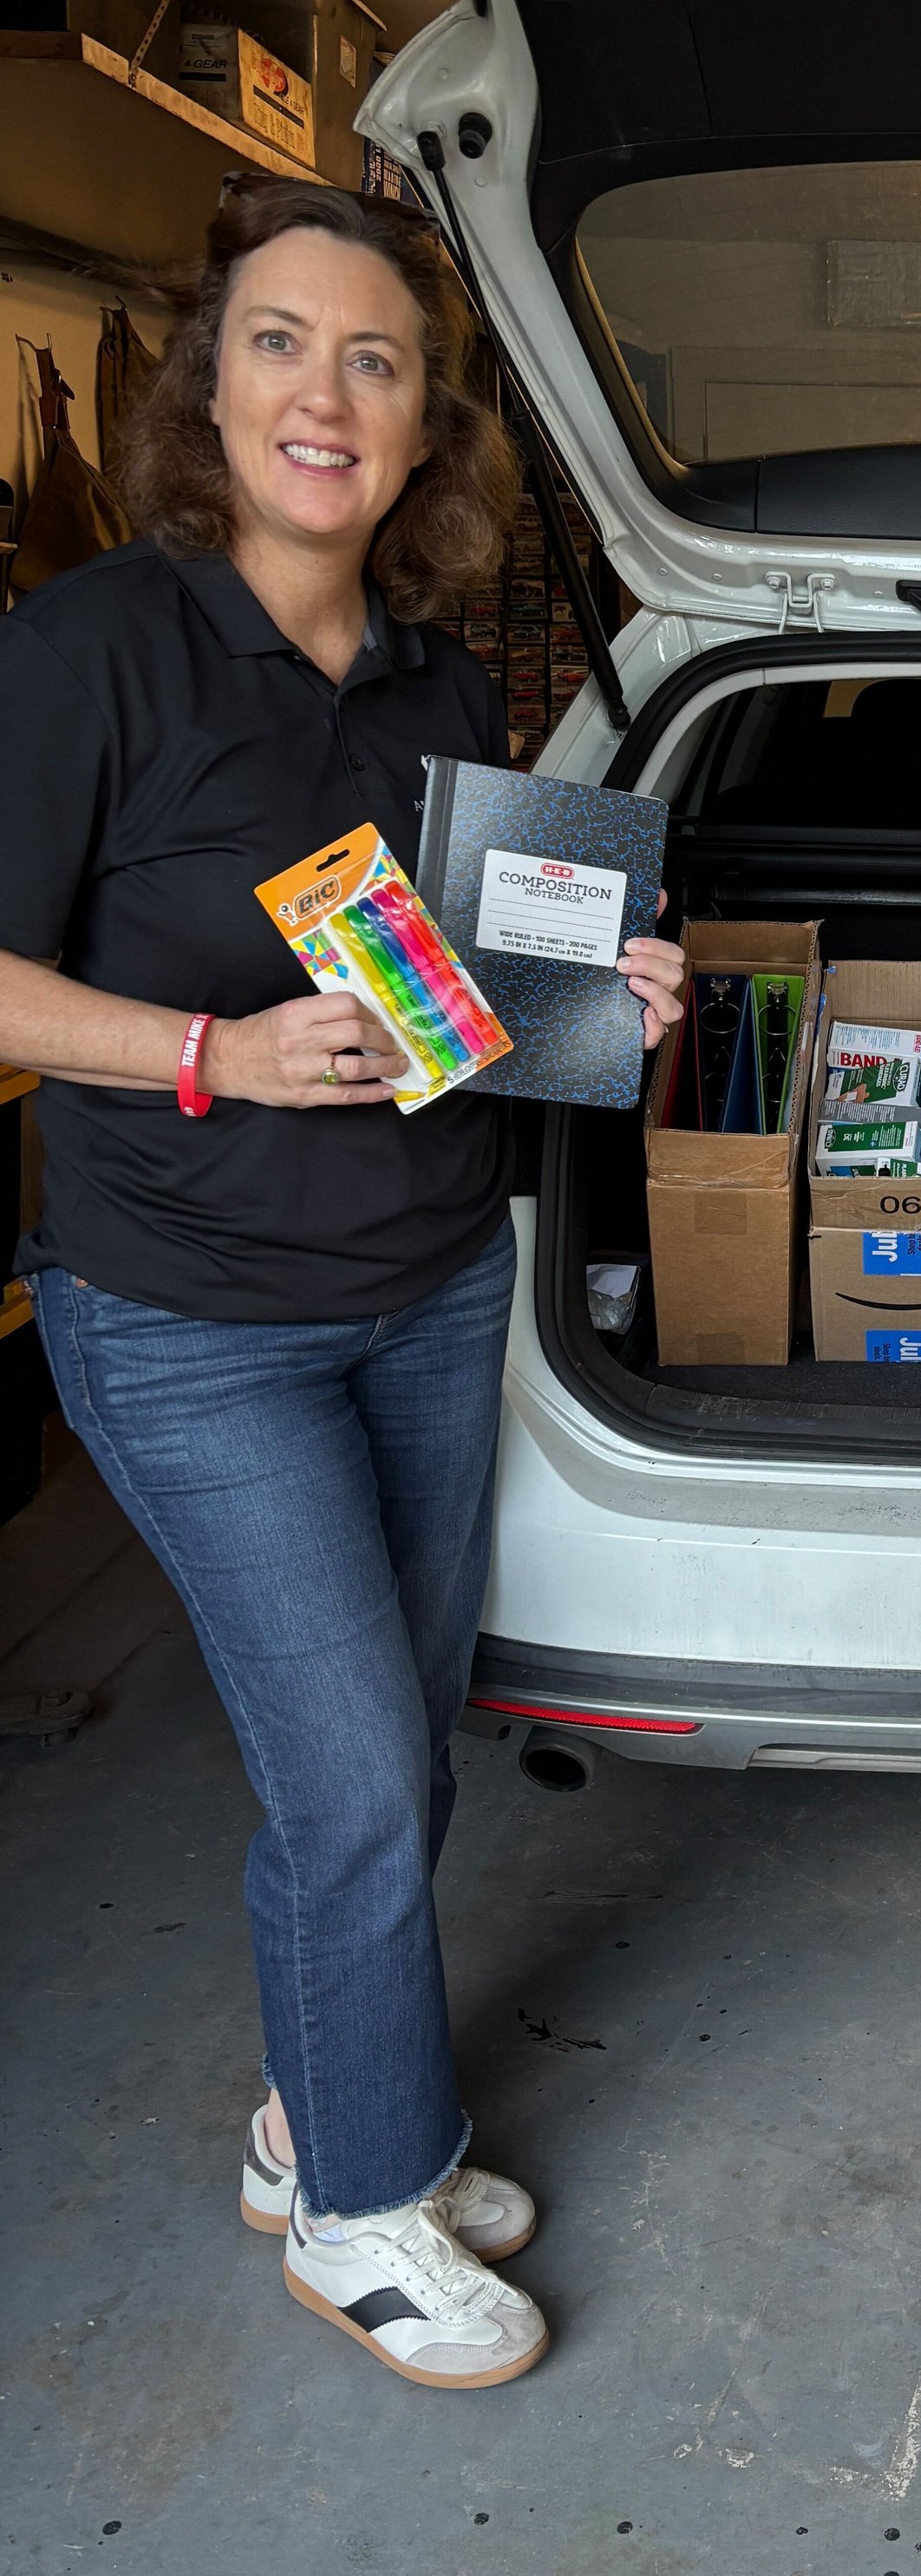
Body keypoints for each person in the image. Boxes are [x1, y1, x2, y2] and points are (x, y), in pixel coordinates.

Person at [0, 176, 684, 2389]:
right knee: (356, 1784)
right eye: (284, 343)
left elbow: (459, 996)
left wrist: (614, 995)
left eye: (375, 361)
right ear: (212, 387)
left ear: (418, 435)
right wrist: (203, 1050)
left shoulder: (425, 678)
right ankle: (372, 2220)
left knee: (395, 1753)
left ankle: (325, 2120)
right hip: (185, 1315)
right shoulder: (90, 644)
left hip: (417, 1283)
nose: (327, 392)